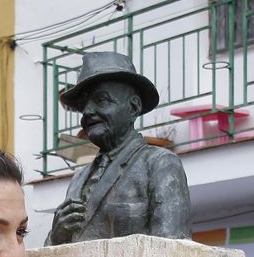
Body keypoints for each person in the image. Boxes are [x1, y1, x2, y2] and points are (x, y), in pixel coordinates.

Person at [45, 51, 190, 244]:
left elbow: (172, 250)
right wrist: (57, 237)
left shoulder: (159, 164)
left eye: (101, 100)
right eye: (83, 104)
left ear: (133, 107)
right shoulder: (79, 179)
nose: (87, 111)